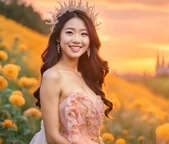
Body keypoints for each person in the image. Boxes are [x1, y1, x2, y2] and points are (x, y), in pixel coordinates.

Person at [29, 0, 113, 143]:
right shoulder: (53, 76)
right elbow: (52, 137)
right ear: (57, 37)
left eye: (83, 34)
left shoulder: (87, 77)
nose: (76, 40)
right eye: (69, 32)